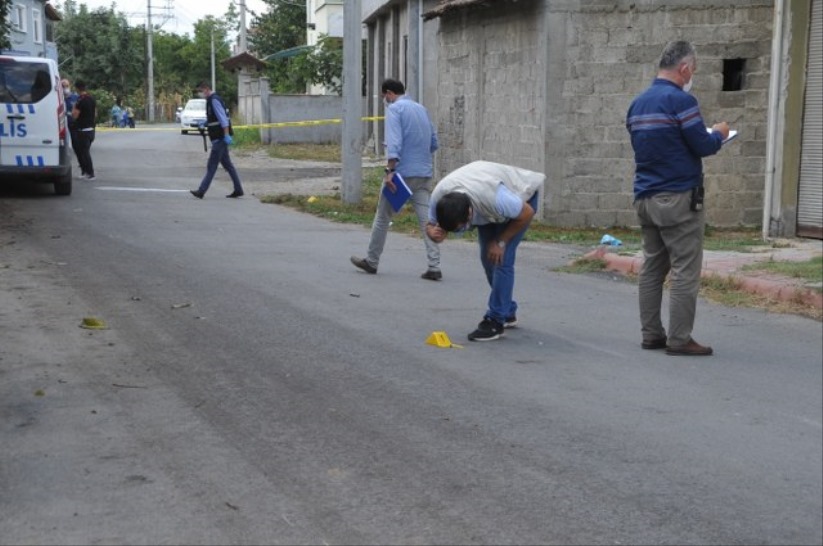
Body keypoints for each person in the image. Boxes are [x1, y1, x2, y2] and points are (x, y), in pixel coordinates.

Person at [626, 40, 730, 357]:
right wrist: (720, 134)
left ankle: (651, 334)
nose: (691, 76)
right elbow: (701, 145)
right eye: (692, 70)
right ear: (684, 68)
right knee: (685, 268)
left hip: (645, 197)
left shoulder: (638, 103)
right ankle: (680, 338)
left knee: (653, 268)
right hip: (678, 197)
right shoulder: (681, 101)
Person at [425, 161, 545, 341]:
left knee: (501, 259)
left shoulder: (497, 199)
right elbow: (430, 225)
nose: (461, 231)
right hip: (488, 206)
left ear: (470, 213)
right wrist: (433, 233)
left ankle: (495, 321)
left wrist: (501, 242)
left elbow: (526, 213)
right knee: (487, 259)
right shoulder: (440, 198)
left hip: (521, 196)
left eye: (463, 227)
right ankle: (507, 310)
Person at [350, 78, 441, 280]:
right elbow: (434, 142)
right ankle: (434, 266)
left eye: (384, 96)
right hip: (423, 173)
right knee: (426, 220)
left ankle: (372, 261)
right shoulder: (421, 109)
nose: (385, 100)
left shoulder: (395, 110)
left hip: (401, 175)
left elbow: (394, 142)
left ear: (389, 93)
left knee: (383, 218)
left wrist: (389, 171)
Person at [189, 81, 244, 199]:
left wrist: (226, 135)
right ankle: (238, 189)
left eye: (200, 91)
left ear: (206, 89)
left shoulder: (214, 100)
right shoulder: (211, 100)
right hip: (218, 138)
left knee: (212, 165)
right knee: (228, 165)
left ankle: (201, 191)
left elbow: (223, 119)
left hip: (220, 138)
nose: (200, 93)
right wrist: (205, 123)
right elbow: (214, 118)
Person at [71, 81, 97, 180]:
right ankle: (86, 171)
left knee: (84, 152)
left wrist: (74, 108)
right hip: (91, 129)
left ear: (77, 88)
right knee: (84, 151)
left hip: (82, 130)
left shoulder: (80, 100)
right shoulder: (91, 99)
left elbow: (74, 115)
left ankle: (90, 173)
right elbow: (95, 114)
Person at [61, 79, 80, 166]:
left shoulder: (75, 97)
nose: (65, 88)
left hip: (73, 124)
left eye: (66, 86)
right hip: (61, 125)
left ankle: (80, 160)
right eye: (63, 86)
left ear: (70, 86)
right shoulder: (58, 98)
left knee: (76, 143)